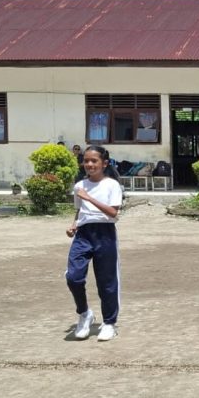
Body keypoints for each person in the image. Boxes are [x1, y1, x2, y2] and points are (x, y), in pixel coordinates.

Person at [65, 145, 124, 342]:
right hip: (83, 234)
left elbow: (114, 213)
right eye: (86, 161)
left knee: (106, 282)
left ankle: (109, 323)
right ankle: (84, 313)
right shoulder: (80, 186)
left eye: (94, 161)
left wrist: (89, 198)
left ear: (104, 163)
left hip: (105, 233)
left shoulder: (112, 185)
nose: (89, 165)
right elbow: (80, 210)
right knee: (73, 277)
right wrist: (74, 225)